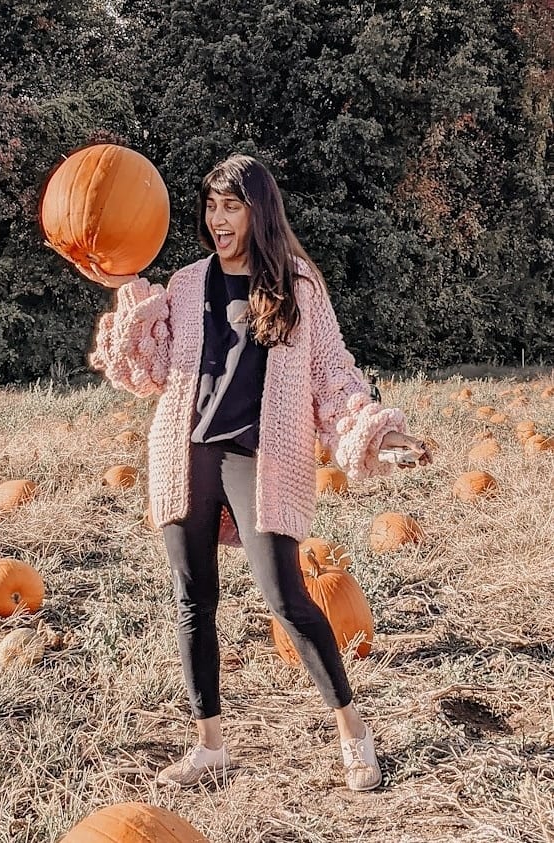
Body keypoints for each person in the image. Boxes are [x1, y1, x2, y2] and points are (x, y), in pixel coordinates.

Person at [86, 153, 432, 792]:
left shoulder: (298, 285)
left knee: (287, 595)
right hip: (186, 450)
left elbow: (332, 374)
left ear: (259, 211)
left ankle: (353, 730)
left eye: (232, 207)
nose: (218, 220)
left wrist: (378, 431)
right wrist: (126, 282)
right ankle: (209, 742)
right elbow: (150, 370)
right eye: (211, 207)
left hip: (262, 456)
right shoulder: (188, 284)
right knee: (193, 597)